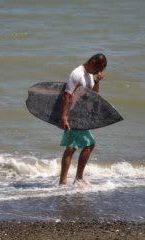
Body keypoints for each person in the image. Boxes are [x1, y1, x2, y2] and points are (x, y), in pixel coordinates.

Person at [59, 53, 107, 186]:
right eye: (97, 69)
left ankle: (62, 182)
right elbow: (66, 95)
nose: (97, 72)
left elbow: (94, 94)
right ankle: (78, 178)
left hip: (81, 116)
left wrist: (97, 80)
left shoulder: (89, 75)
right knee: (90, 144)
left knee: (71, 148)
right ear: (92, 62)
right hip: (73, 116)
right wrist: (64, 117)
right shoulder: (77, 74)